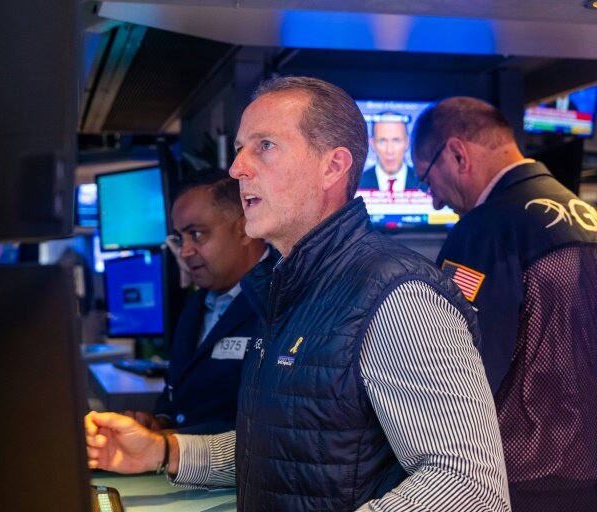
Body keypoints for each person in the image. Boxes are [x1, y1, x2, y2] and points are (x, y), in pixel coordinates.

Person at [86, 77, 510, 511]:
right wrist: (165, 453)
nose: (237, 169)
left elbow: (469, 487)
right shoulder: (288, 288)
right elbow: (291, 449)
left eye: (264, 146)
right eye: (239, 149)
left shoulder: (397, 297)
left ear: (333, 166)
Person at [411, 96, 597, 511]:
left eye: (427, 180)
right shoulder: (587, 217)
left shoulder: (484, 233)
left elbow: (459, 369)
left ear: (457, 154)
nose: (435, 200)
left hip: (525, 479)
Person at [125, 171, 270, 434]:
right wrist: (161, 421)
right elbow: (177, 394)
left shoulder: (281, 300)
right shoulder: (195, 305)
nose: (185, 251)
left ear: (244, 229)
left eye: (197, 234)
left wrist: (175, 442)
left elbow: (273, 424)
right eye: (181, 238)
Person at [358, 111, 420, 191]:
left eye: (396, 140)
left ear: (407, 142)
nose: (390, 151)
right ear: (372, 143)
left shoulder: (423, 184)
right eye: (382, 141)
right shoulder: (359, 184)